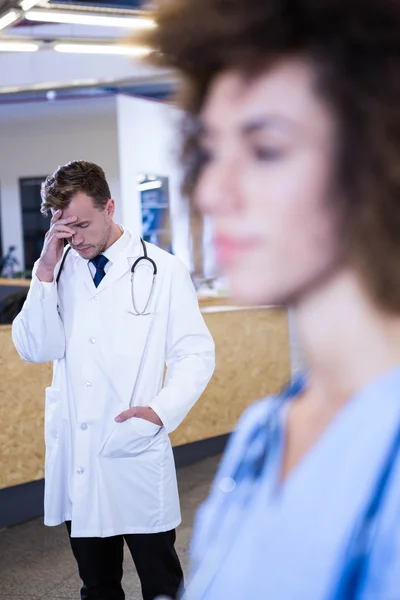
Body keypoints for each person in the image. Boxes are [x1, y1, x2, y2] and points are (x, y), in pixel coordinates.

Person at [144, 0, 400, 598]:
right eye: (210, 150)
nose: (210, 190)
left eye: (266, 149)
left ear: (380, 161)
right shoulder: (266, 429)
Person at [12, 160, 215, 600]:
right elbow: (34, 348)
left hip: (134, 443)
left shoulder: (162, 270)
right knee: (97, 586)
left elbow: (194, 354)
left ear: (110, 207)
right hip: (80, 455)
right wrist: (44, 273)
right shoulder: (60, 270)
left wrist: (159, 412)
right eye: (65, 229)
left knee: (162, 584)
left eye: (83, 224)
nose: (77, 239)